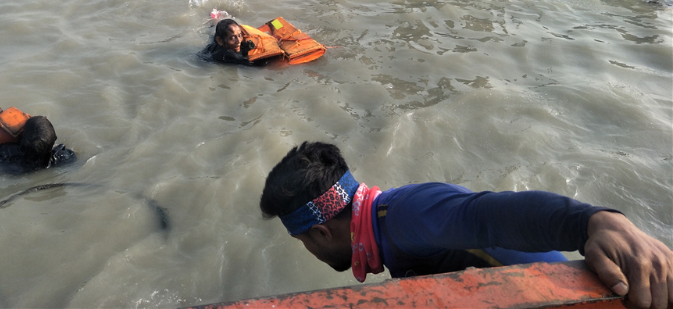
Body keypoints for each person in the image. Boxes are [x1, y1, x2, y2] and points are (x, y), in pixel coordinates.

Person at [259, 141, 673, 309]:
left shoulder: (403, 216)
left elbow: (489, 215)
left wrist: (596, 222)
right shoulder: (386, 227)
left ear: (321, 232)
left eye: (302, 241)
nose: (309, 251)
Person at [0, 115, 75, 174]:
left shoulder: (5, 152)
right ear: (54, 139)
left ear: (22, 136)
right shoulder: (61, 157)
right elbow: (73, 159)